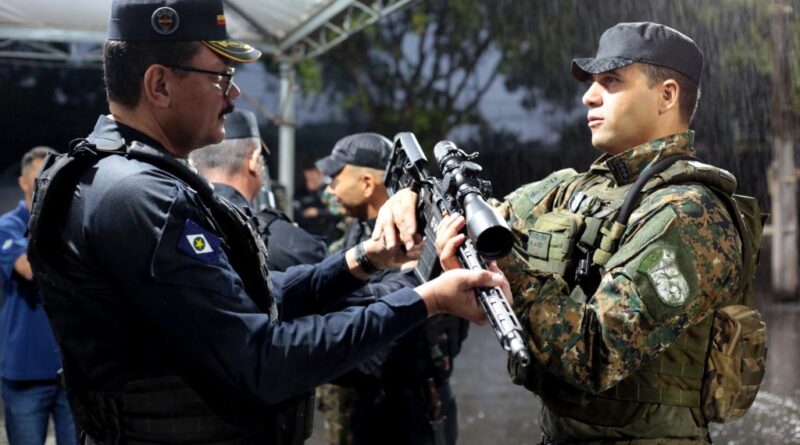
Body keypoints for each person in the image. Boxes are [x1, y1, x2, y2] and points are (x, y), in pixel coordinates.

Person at [25, 1, 509, 444]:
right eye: (221, 77)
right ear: (160, 85)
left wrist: (364, 259)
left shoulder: (112, 174)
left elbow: (253, 295)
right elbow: (261, 362)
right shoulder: (143, 198)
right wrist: (427, 300)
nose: (234, 94)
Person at [374, 22, 748, 444]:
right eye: (592, 83)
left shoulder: (689, 214)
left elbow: (598, 354)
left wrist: (502, 263)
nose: (589, 96)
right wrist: (409, 201)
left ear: (667, 95)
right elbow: (476, 215)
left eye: (612, 81)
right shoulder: (570, 189)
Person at [315, 134, 466, 445]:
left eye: (336, 179)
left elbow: (385, 347)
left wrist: (301, 354)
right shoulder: (357, 230)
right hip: (367, 404)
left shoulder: (413, 239)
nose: (329, 189)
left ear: (367, 183)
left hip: (408, 408)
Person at [0, 147, 77, 445]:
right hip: (26, 371)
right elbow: (28, 269)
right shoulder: (8, 227)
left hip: (72, 370)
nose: (46, 184)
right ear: (23, 182)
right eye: (39, 179)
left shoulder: (71, 223)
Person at [190, 109, 328, 271]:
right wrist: (290, 236)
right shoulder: (285, 241)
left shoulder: (176, 223)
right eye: (262, 160)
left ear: (192, 162)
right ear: (254, 161)